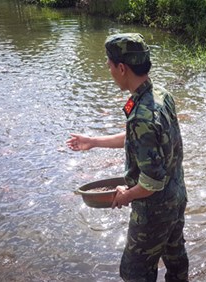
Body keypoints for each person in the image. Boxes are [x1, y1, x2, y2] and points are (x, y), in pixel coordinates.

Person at [66, 33, 189, 281]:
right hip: (176, 196)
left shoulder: (142, 114)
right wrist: (93, 142)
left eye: (109, 65)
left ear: (122, 68)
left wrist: (126, 194)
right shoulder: (160, 96)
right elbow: (139, 138)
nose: (108, 69)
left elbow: (151, 182)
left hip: (154, 211)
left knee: (134, 272)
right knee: (175, 259)